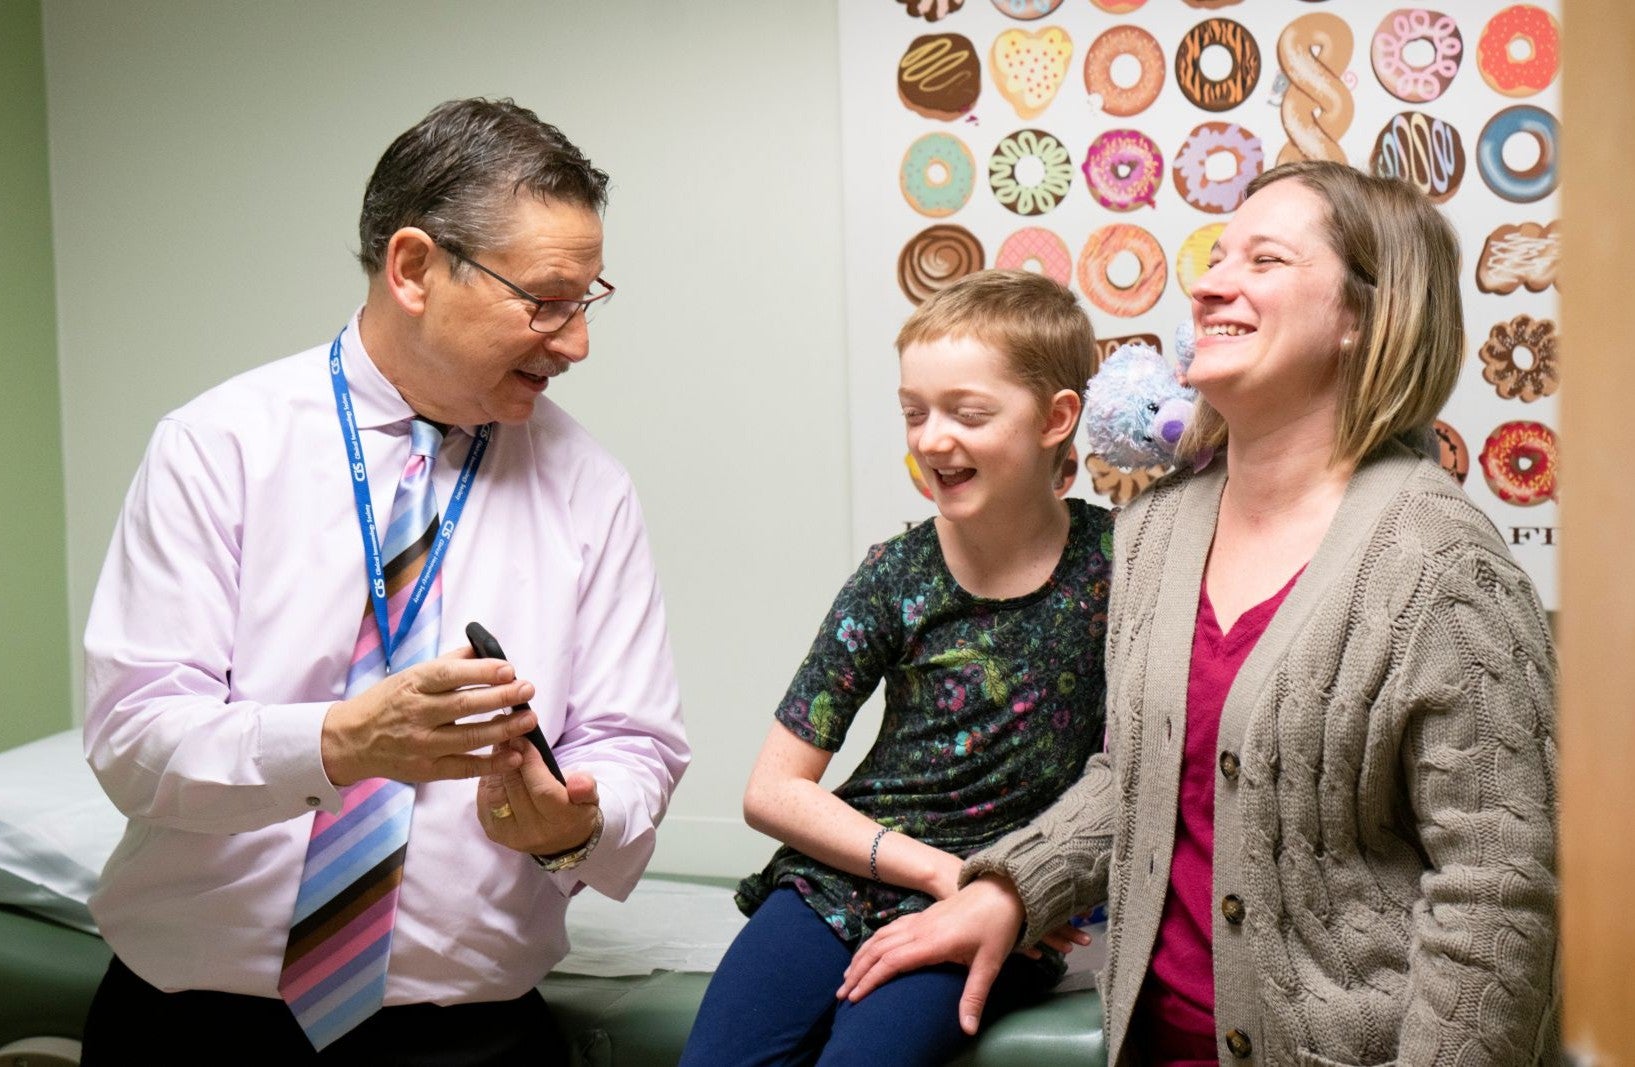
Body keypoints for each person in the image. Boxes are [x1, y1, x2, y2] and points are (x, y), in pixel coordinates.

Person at [840, 161, 1560, 1066]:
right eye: (1216, 256)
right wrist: (1013, 886)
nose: (1210, 281)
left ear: (1362, 317)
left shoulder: (1442, 564)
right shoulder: (1153, 528)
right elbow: (1138, 776)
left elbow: (1498, 892)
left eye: (1263, 260)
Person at [80, 98, 690, 1065]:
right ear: (412, 269)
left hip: (470, 1040)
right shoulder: (219, 447)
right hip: (197, 1026)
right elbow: (133, 738)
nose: (575, 343)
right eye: (545, 299)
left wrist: (577, 819)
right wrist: (339, 741)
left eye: (588, 299)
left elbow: (634, 743)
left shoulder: (589, 488)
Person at [679, 270, 1113, 1066]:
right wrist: (940, 870)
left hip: (1000, 898)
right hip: (845, 878)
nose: (929, 437)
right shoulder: (895, 575)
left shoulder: (1122, 566)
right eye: (913, 412)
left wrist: (993, 888)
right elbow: (772, 790)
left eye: (966, 412)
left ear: (1057, 418)